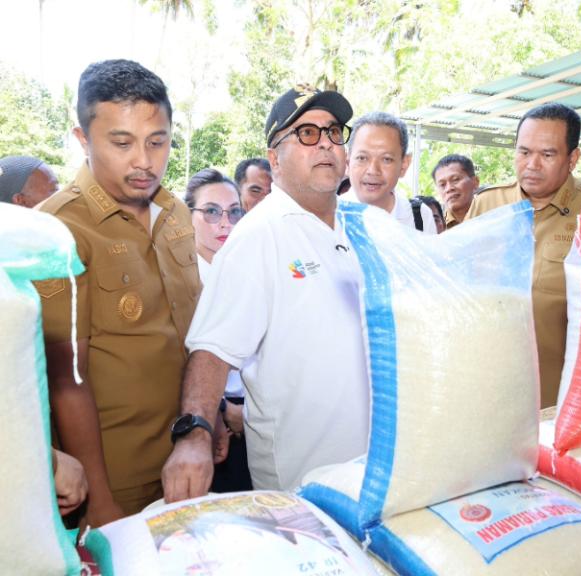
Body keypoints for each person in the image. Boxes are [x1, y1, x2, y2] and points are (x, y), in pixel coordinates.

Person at [162, 85, 369, 499]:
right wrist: (195, 435)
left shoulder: (358, 227)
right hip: (305, 480)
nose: (326, 143)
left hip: (370, 465)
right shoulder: (259, 235)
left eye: (333, 132)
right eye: (307, 134)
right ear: (275, 158)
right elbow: (213, 350)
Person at [35, 59, 200, 524]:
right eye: (121, 142)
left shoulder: (175, 212)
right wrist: (101, 500)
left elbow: (187, 334)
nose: (144, 161)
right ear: (83, 139)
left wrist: (201, 425)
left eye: (158, 141)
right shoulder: (60, 228)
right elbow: (68, 379)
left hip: (187, 457)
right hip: (114, 477)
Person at [465, 102, 581, 408]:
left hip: (560, 395)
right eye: (524, 152)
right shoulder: (487, 205)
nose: (532, 164)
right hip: (487, 385)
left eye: (547, 154)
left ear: (573, 159)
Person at [184, 168, 252, 493]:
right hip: (209, 425)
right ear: (189, 216)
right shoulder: (180, 283)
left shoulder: (249, 271)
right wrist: (223, 410)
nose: (225, 223)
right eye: (211, 212)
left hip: (256, 420)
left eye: (234, 212)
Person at [339, 111, 436, 233]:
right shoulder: (328, 217)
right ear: (347, 162)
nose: (373, 171)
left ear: (404, 165)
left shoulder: (420, 218)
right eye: (362, 158)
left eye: (386, 159)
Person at [432, 154, 478, 229]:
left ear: (475, 182)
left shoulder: (493, 216)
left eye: (455, 179)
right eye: (442, 184)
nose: (449, 189)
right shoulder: (438, 228)